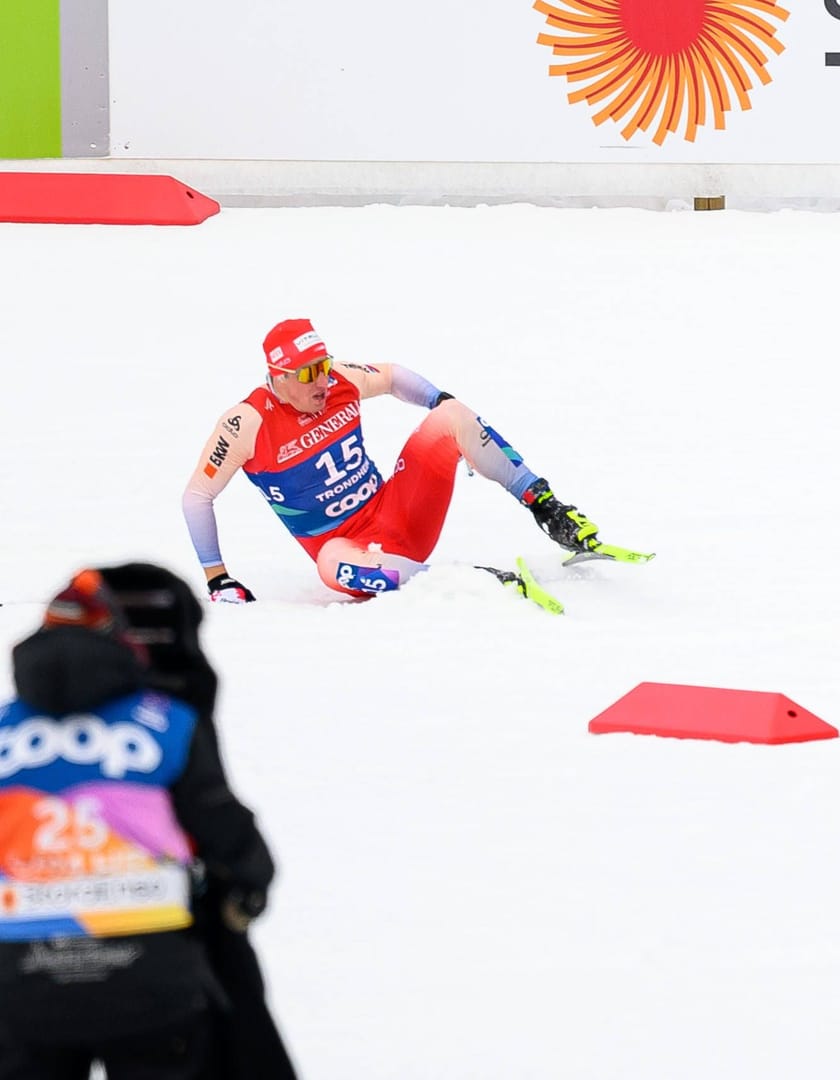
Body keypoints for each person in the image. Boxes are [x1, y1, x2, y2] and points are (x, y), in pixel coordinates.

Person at [0, 568, 277, 1079]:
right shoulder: (165, 722)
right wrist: (248, 886)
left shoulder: (3, 732)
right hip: (150, 974)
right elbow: (221, 824)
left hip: (22, 978)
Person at [182, 318, 641, 604]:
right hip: (353, 552)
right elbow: (197, 497)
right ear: (277, 377)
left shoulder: (339, 379)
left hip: (400, 516)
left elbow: (394, 376)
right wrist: (218, 579)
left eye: (324, 365)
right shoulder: (246, 422)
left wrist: (438, 400)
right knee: (328, 567)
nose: (321, 381)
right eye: (307, 373)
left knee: (451, 415)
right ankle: (468, 581)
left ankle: (550, 510)